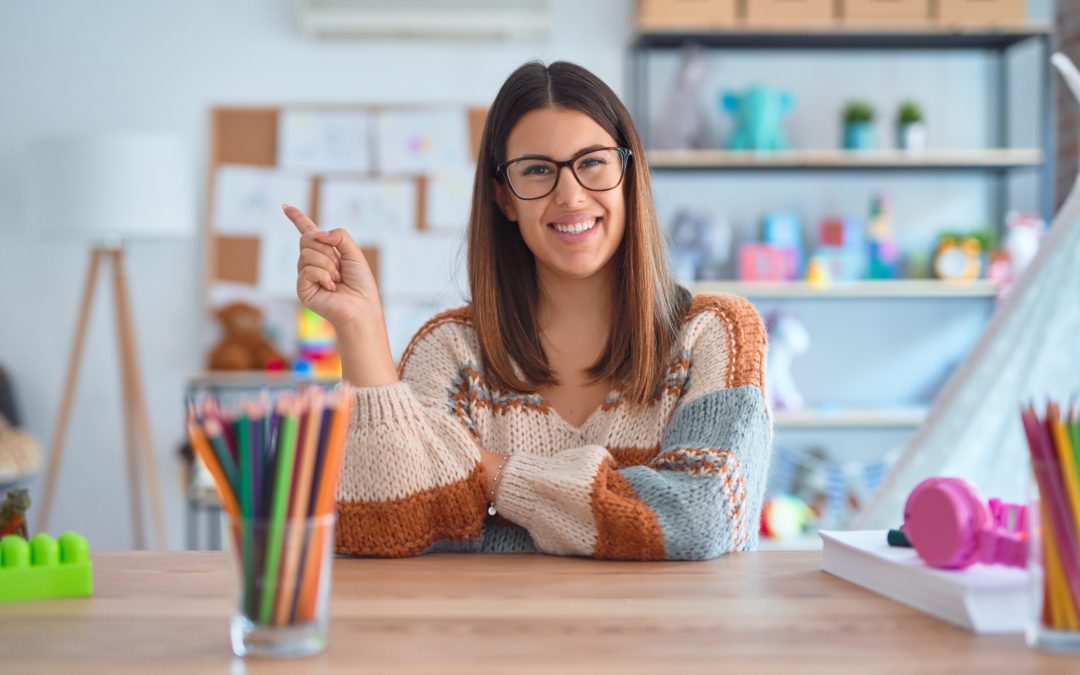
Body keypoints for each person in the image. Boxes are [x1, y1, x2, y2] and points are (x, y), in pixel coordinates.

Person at [284, 61, 772, 560]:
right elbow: (380, 526)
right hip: (491, 635)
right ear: (505, 198)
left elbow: (699, 516)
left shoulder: (715, 332)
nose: (570, 194)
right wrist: (359, 327)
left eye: (593, 162)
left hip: (667, 637)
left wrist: (489, 475)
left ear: (629, 175)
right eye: (538, 170)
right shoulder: (451, 352)